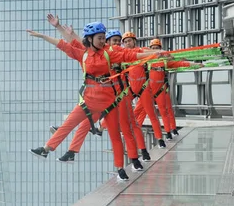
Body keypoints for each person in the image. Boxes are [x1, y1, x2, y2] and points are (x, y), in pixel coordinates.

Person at [27, 22, 160, 181]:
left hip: (109, 102)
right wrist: (46, 34)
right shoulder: (82, 54)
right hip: (89, 101)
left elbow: (130, 56)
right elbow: (64, 44)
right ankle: (46, 149)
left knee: (115, 136)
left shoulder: (108, 54)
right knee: (68, 124)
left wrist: (153, 54)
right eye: (100, 38)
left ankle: (119, 168)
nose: (103, 41)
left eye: (104, 38)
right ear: (90, 39)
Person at [52, 29, 146, 172]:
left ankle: (135, 159)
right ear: (106, 42)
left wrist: (157, 53)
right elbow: (78, 45)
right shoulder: (101, 53)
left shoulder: (118, 52)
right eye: (113, 40)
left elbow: (135, 53)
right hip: (101, 98)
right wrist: (63, 30)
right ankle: (71, 152)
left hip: (120, 98)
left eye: (118, 40)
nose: (117, 42)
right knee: (85, 123)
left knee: (127, 128)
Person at [134, 38, 186, 139]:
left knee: (166, 110)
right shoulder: (147, 60)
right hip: (148, 90)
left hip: (161, 89)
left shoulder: (164, 61)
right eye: (153, 48)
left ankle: (170, 130)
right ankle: (134, 129)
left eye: (156, 48)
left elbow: (176, 63)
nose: (155, 50)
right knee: (140, 109)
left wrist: (180, 59)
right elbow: (139, 51)